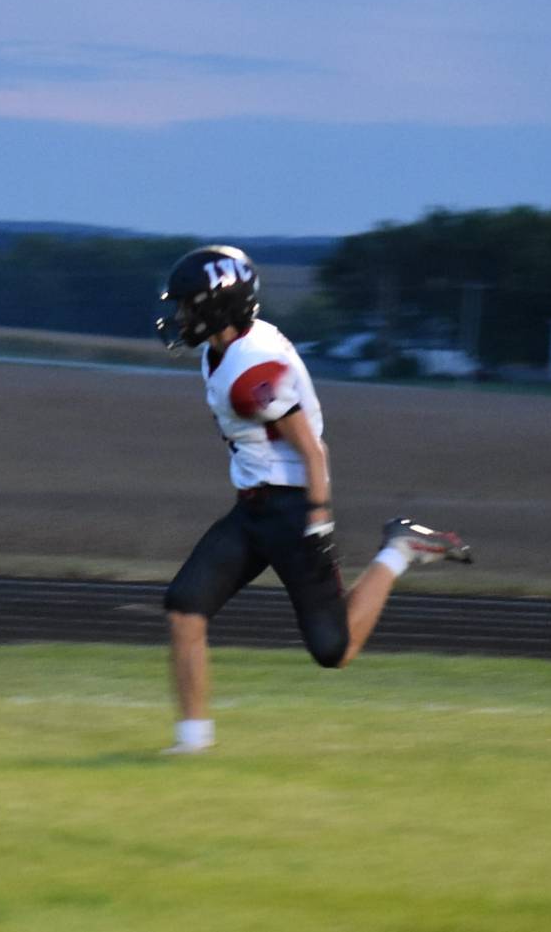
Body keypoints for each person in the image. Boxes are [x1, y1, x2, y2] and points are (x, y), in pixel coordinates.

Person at [152, 244, 472, 754]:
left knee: (334, 651)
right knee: (185, 606)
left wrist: (318, 518)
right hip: (253, 507)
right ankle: (193, 744)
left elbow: (312, 450)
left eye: (190, 304)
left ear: (218, 306)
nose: (181, 316)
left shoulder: (249, 369)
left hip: (290, 509)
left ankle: (400, 548)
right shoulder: (228, 348)